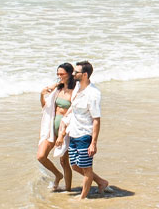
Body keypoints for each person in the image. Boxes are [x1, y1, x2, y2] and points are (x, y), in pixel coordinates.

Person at [61, 60, 113, 198]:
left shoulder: (93, 94)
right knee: (75, 165)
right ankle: (101, 182)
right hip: (74, 132)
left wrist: (93, 143)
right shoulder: (78, 86)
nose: (73, 74)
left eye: (76, 72)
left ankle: (83, 198)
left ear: (84, 75)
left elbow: (96, 119)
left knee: (87, 168)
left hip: (85, 135)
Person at [36, 62, 75, 191]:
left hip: (65, 130)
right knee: (41, 156)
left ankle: (68, 189)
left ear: (70, 73)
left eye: (62, 74)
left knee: (64, 162)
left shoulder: (74, 92)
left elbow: (73, 114)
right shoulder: (57, 89)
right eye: (58, 74)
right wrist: (42, 95)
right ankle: (58, 175)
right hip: (51, 128)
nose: (59, 76)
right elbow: (45, 107)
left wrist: (62, 135)